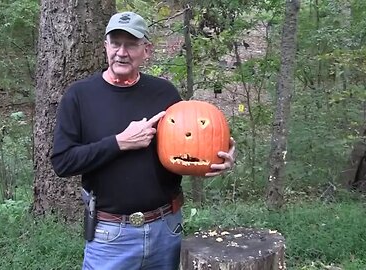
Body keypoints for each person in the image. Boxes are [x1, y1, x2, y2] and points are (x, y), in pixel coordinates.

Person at [50, 11, 236, 270]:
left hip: (166, 229)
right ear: (106, 46)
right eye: (115, 43)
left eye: (131, 44)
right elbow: (63, 162)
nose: (121, 52)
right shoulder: (80, 96)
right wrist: (119, 142)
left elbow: (186, 150)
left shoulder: (164, 93)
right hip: (110, 236)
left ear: (146, 50)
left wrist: (214, 161)